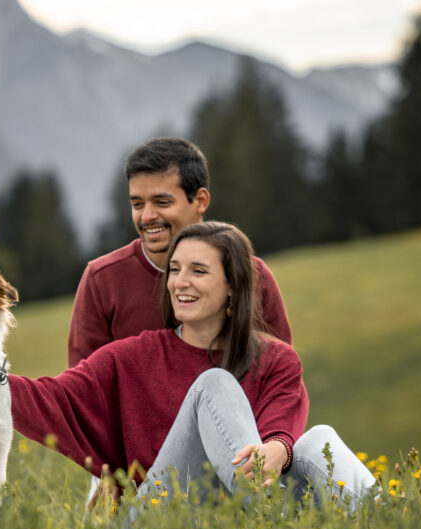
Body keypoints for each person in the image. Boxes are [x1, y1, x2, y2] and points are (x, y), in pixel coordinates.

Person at [10, 222, 377, 512]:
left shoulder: (276, 359)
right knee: (213, 384)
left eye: (198, 271)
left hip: (242, 510)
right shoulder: (131, 357)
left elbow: (281, 428)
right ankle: (270, 519)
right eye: (174, 269)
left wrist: (280, 448)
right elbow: (50, 399)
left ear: (232, 286)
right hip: (161, 523)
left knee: (319, 440)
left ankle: (391, 523)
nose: (179, 282)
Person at [67, 137, 291, 368]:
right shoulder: (102, 280)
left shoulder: (250, 274)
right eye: (137, 204)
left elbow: (279, 377)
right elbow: (84, 392)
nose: (147, 216)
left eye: (162, 202)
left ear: (200, 201)